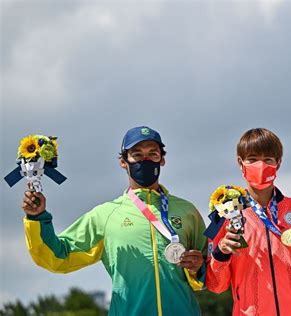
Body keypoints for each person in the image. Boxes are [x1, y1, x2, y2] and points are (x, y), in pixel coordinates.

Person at [21, 126, 207, 315]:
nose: (145, 160)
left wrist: (199, 268)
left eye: (153, 154)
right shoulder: (106, 215)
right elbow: (58, 257)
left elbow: (213, 269)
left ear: (163, 159)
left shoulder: (187, 212)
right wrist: (37, 217)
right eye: (137, 154)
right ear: (123, 162)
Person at [205, 128, 291, 316]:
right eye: (252, 159)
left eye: (268, 159)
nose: (260, 165)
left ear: (278, 163)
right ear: (240, 162)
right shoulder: (223, 213)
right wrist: (221, 252)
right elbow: (215, 285)